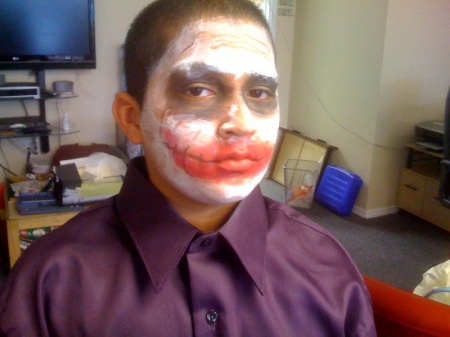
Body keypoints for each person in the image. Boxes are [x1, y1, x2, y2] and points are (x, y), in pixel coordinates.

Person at [0, 0, 376, 336]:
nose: (242, 123)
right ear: (131, 118)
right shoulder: (51, 283)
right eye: (199, 90)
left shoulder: (326, 268)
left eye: (259, 93)